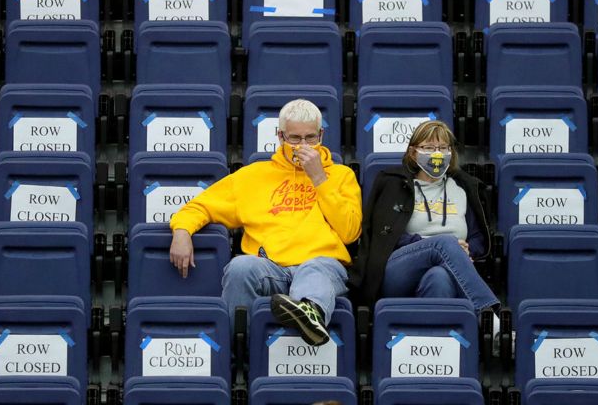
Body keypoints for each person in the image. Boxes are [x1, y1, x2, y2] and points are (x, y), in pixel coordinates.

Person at [169, 99, 362, 346]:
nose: (302, 146)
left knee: (314, 269)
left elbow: (350, 232)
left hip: (322, 266)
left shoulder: (341, 176)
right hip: (271, 268)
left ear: (321, 135)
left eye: (310, 138)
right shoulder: (252, 176)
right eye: (294, 138)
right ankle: (241, 351)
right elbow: (200, 205)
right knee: (240, 267)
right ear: (280, 136)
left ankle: (310, 314)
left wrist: (319, 179)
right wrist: (182, 231)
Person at [349, 120, 499, 313]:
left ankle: (434, 336)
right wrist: (435, 244)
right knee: (445, 243)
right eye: (429, 147)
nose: (437, 153)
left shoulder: (464, 188)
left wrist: (467, 250)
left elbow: (478, 237)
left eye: (443, 148)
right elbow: (384, 235)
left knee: (439, 277)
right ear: (413, 153)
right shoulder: (394, 184)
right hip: (397, 270)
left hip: (449, 264)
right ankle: (489, 315)